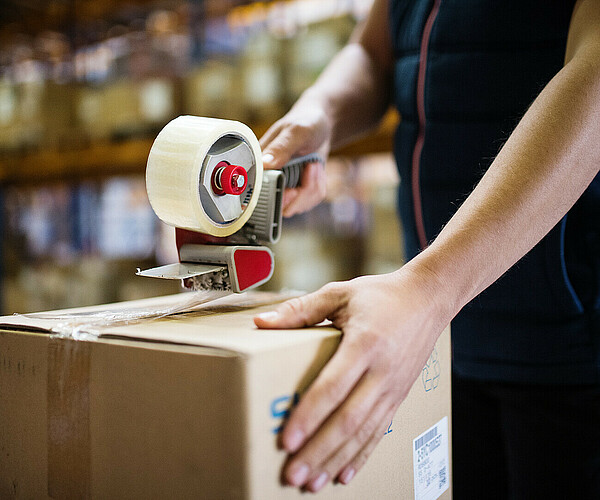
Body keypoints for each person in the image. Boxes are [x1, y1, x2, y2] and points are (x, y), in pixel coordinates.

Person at [254, 0, 600, 497]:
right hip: (442, 344)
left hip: (569, 354)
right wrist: (320, 111)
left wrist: (430, 288)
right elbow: (374, 53)